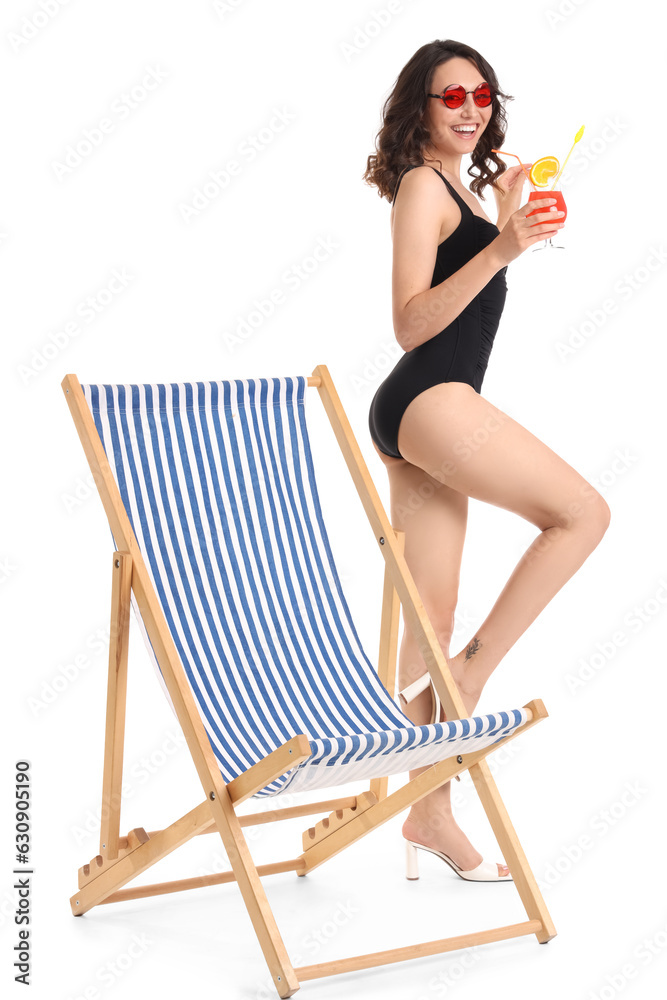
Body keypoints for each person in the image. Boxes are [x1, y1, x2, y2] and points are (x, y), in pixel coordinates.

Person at [363, 39, 610, 882]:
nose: (468, 108)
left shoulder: (458, 191)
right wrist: (501, 247)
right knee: (582, 514)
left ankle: (427, 817)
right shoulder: (418, 188)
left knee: (425, 628)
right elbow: (409, 324)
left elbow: (465, 295)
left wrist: (500, 214)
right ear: (420, 109)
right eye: (450, 96)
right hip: (428, 399)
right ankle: (470, 677)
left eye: (480, 96)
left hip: (424, 413)